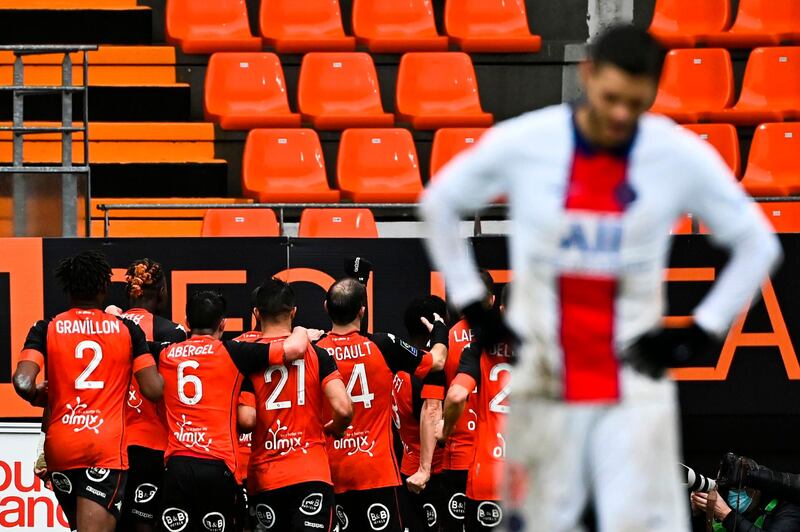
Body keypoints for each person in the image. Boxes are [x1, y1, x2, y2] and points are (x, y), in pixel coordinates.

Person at [419, 24, 782, 531]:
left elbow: (758, 242)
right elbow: (439, 202)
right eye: (610, 97)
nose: (619, 115)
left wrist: (702, 330)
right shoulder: (531, 141)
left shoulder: (673, 154)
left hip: (630, 380)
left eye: (633, 103)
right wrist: (476, 308)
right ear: (588, 76)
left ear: (652, 93)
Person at [13, 250, 164, 532]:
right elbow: (153, 389)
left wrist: (37, 394)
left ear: (67, 288)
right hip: (103, 447)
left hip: (61, 448)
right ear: (105, 287)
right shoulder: (126, 330)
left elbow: (22, 381)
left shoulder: (46, 328)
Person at [157, 290, 309, 532]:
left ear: (187, 323)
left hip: (177, 466)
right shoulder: (234, 352)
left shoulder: (165, 353)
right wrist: (303, 331)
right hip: (218, 466)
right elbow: (295, 349)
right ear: (223, 324)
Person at [316, 278, 448, 532]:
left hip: (332, 472)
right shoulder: (382, 345)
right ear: (362, 311)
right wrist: (440, 329)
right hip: (376, 472)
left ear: (325, 307)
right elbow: (438, 361)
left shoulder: (314, 350)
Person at [236, 278, 353, 531]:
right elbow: (344, 409)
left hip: (266, 476)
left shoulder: (246, 358)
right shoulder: (317, 354)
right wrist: (336, 428)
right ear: (293, 312)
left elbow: (246, 421)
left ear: (257, 313)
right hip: (311, 472)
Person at [118, 258, 187, 532]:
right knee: (144, 523)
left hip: (114, 441)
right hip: (154, 441)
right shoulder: (173, 332)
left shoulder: (111, 326)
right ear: (161, 292)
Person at [437, 286, 514, 531]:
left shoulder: (478, 346)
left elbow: (457, 395)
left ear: (501, 309)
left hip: (488, 473)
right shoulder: (551, 350)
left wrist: (446, 430)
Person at [441, 270, 496, 530]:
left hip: (462, 455)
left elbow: (442, 399)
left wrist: (445, 429)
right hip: (507, 455)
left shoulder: (447, 338)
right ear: (494, 302)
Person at [393, 295, 448, 532]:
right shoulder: (428, 371)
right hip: (432, 475)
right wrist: (425, 470)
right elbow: (432, 410)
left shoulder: (396, 367)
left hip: (406, 469)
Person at [691, 455, 800, 531]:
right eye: (731, 488)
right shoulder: (717, 509)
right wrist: (696, 515)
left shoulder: (786, 509)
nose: (734, 493)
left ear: (757, 490)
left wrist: (726, 514)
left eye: (740, 488)